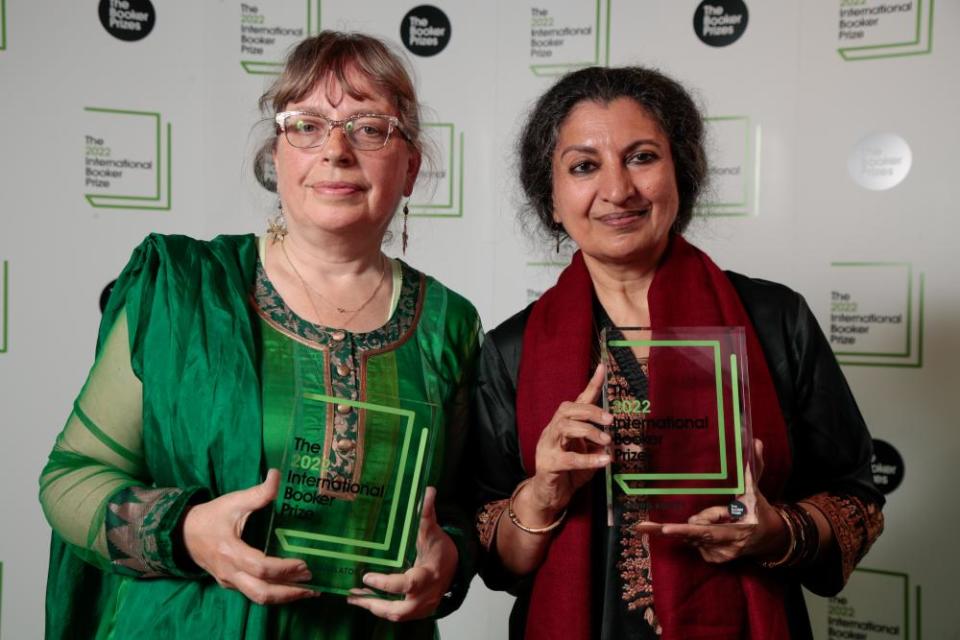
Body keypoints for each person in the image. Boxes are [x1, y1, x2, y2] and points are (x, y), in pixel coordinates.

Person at [39, 31, 481, 639]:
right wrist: (188, 532)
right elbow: (71, 477)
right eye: (306, 124)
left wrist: (448, 559)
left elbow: (454, 508)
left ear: (410, 167)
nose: (336, 150)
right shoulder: (181, 287)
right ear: (277, 157)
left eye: (369, 126)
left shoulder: (447, 323)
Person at [471, 66, 884, 639]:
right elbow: (494, 557)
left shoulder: (773, 319)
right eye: (584, 166)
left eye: (642, 157)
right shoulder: (508, 351)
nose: (618, 190)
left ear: (681, 171)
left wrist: (775, 530)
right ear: (551, 194)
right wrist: (542, 494)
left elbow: (856, 499)